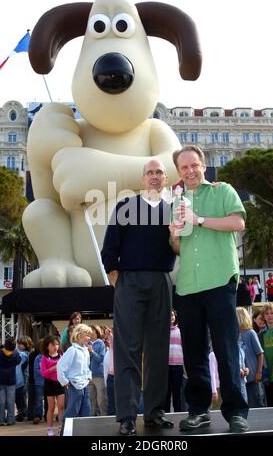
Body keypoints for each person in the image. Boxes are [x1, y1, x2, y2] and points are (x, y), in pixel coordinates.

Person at [169, 145, 249, 433]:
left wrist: (198, 220)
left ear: (203, 165)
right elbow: (177, 248)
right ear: (178, 172)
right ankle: (199, 410)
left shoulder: (222, 190)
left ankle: (236, 411)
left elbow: (238, 222)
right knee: (194, 352)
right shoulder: (176, 201)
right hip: (188, 284)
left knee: (226, 348)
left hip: (219, 279)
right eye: (183, 168)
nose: (189, 171)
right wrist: (174, 234)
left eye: (194, 165)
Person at [101, 159, 175, 436]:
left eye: (159, 172)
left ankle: (155, 412)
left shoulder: (173, 210)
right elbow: (109, 248)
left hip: (161, 281)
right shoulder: (126, 207)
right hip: (129, 282)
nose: (154, 176)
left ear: (166, 178)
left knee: (158, 350)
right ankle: (128, 416)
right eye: (149, 173)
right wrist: (117, 278)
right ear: (143, 178)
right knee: (128, 351)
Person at [57, 324, 92, 419]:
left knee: (86, 411)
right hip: (75, 386)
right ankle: (65, 431)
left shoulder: (85, 351)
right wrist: (64, 382)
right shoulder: (72, 350)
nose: (89, 338)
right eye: (87, 335)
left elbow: (87, 366)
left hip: (85, 385)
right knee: (72, 412)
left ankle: (84, 432)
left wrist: (89, 377)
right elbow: (60, 366)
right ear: (79, 335)